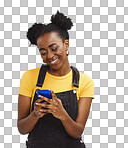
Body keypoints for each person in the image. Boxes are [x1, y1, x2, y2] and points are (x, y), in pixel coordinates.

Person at [17, 11, 94, 148]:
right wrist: (35, 114)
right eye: (43, 52)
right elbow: (22, 128)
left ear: (66, 45)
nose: (50, 56)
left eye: (54, 48)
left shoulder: (84, 81)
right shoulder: (30, 77)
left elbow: (77, 132)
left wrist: (61, 113)